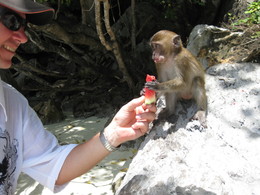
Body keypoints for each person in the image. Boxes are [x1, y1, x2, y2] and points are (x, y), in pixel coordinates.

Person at [0, 0, 156, 194]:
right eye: (12, 21)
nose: (23, 38)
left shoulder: (13, 104)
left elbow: (54, 167)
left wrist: (113, 133)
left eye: (25, 26)